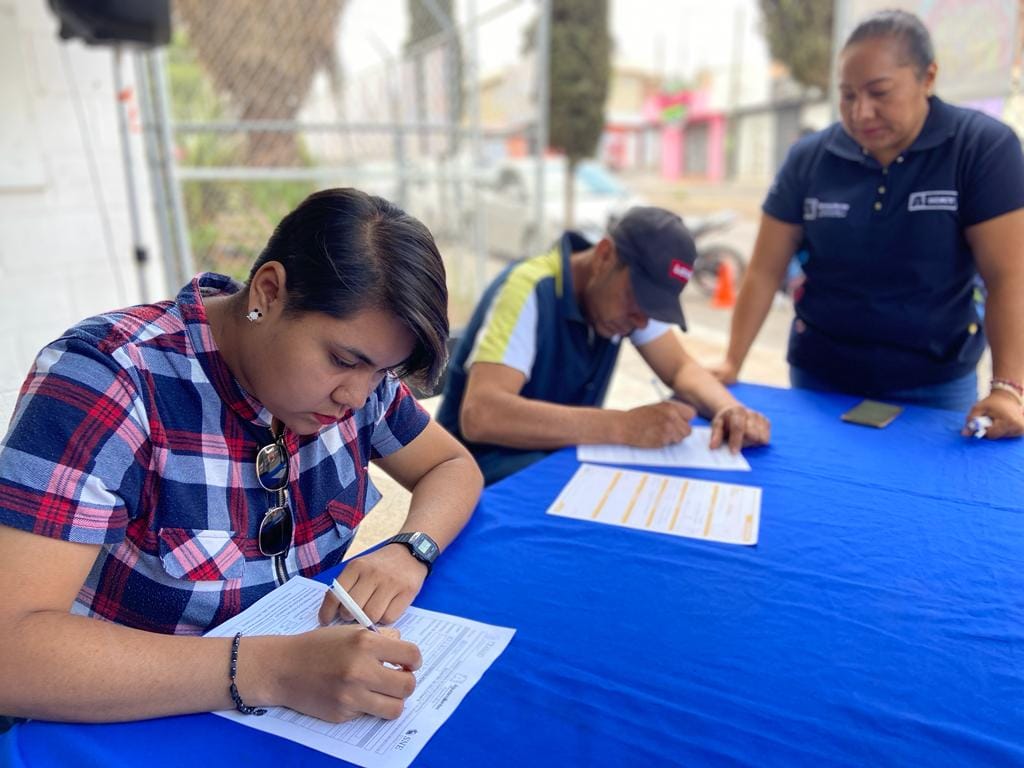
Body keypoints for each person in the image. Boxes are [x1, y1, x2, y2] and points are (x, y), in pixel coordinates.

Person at [0, 188, 482, 725]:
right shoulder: (109, 380)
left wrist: (410, 548)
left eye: (382, 373)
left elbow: (451, 466)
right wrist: (271, 671)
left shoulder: (361, 382)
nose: (356, 396)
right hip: (122, 724)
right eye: (343, 361)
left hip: (290, 712)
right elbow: (10, 653)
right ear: (268, 293)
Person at [713, 9, 1024, 439]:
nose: (861, 113)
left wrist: (1007, 388)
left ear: (928, 77)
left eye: (880, 92)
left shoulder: (981, 148)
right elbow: (765, 270)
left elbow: (1008, 277)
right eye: (847, 96)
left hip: (935, 385)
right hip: (820, 378)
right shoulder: (809, 159)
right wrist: (732, 360)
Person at [436, 206, 771, 485]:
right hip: (485, 478)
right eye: (639, 300)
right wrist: (624, 426)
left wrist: (730, 410)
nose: (642, 322)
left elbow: (680, 367)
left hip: (553, 463)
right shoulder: (529, 289)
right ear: (604, 256)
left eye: (654, 309)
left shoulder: (625, 305)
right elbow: (482, 415)